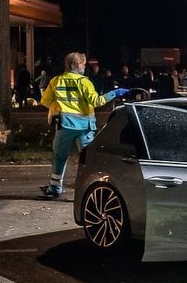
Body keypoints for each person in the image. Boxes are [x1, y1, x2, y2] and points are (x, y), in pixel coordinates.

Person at [40, 51, 130, 198]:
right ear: (75, 65)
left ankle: (55, 188)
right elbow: (97, 102)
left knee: (59, 156)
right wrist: (115, 93)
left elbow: (45, 101)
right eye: (82, 63)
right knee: (88, 160)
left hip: (64, 125)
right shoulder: (84, 82)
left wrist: (59, 107)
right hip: (85, 127)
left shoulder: (56, 81)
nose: (84, 66)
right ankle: (88, 190)